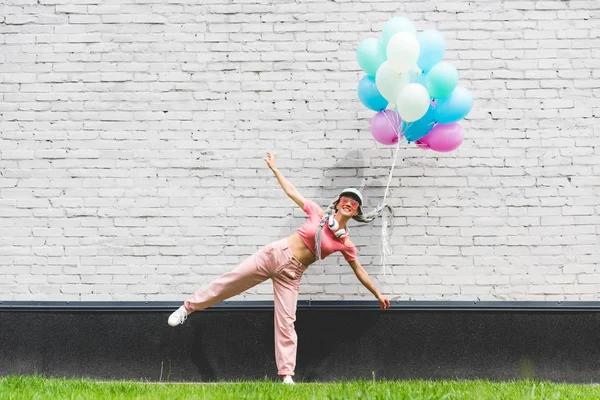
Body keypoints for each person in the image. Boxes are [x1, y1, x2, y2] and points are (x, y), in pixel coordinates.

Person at [168, 152, 391, 385]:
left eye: (353, 203)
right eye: (345, 199)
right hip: (274, 254)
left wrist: (377, 293)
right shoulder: (317, 213)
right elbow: (292, 192)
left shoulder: (345, 242)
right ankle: (188, 307)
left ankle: (286, 375)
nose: (348, 203)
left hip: (292, 274)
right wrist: (276, 170)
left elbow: (359, 271)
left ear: (356, 212)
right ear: (337, 203)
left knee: (286, 322)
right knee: (232, 281)